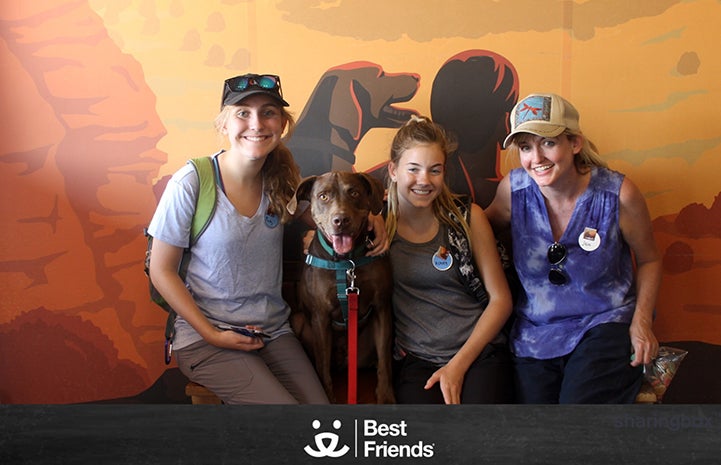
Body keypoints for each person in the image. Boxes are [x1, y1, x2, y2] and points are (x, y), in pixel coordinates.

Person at [146, 73, 332, 404]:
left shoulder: (282, 181)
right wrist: (213, 335)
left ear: (282, 124)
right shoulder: (191, 183)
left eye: (269, 112)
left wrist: (374, 219)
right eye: (243, 113)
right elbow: (162, 271)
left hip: (273, 333)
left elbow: (325, 213)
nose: (256, 123)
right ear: (224, 125)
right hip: (205, 337)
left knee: (322, 418)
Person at [485, 93, 662, 403]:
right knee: (537, 434)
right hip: (535, 334)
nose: (536, 158)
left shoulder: (618, 194)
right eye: (526, 147)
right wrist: (384, 219)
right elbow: (475, 231)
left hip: (603, 323)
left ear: (575, 143)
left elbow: (649, 260)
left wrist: (642, 323)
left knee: (575, 418)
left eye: (548, 143)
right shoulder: (513, 191)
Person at [386, 115, 515, 404]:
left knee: (478, 436)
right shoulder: (379, 226)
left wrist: (457, 366)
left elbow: (501, 300)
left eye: (435, 170)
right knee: (427, 444)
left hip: (479, 353)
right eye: (413, 169)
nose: (424, 180)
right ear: (393, 170)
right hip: (416, 359)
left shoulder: (468, 218)